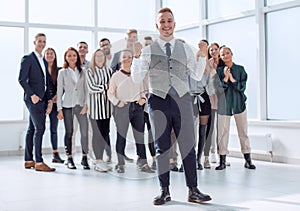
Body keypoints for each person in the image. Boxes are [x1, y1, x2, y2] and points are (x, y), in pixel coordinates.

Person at [132, 7, 211, 205]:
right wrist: (136, 57)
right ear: (157, 26)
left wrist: (202, 56)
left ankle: (193, 190)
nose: (166, 25)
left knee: (188, 146)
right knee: (162, 148)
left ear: (174, 24)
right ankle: (164, 191)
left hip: (182, 99)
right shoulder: (148, 50)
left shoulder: (185, 48)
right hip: (158, 100)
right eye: (162, 22)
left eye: (169, 21)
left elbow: (196, 75)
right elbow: (137, 77)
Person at [108, 49, 154, 174]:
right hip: (122, 108)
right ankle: (120, 163)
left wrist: (143, 99)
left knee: (139, 136)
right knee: (121, 136)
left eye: (130, 56)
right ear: (120, 60)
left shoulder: (137, 74)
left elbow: (144, 90)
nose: (127, 59)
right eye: (125, 57)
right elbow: (110, 93)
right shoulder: (116, 76)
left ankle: (143, 163)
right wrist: (118, 102)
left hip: (137, 108)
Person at [214, 45, 256, 170]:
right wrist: (225, 78)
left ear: (231, 53)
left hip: (239, 105)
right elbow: (218, 89)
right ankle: (222, 161)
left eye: (227, 53)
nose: (225, 55)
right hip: (224, 106)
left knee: (243, 132)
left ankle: (248, 160)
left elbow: (242, 87)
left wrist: (232, 79)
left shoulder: (240, 69)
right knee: (222, 133)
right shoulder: (219, 71)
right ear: (220, 57)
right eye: (223, 54)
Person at [18, 33, 55, 172]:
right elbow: (21, 79)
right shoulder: (28, 58)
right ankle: (39, 162)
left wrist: (49, 100)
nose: (42, 43)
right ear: (34, 42)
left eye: (44, 41)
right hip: (33, 99)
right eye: (39, 41)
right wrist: (32, 95)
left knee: (32, 128)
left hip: (43, 99)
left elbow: (46, 82)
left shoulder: (43, 60)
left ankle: (28, 160)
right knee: (40, 129)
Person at [57, 47, 90, 170]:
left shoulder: (83, 71)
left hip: (81, 105)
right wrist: (59, 109)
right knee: (69, 132)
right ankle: (69, 158)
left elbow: (87, 90)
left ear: (77, 57)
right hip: (68, 106)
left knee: (85, 132)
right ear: (65, 57)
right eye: (69, 55)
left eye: (74, 55)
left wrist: (86, 104)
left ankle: (84, 157)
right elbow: (59, 92)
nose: (72, 57)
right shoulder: (62, 72)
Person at [86, 49, 113, 172]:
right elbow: (91, 88)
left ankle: (101, 159)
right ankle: (97, 160)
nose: (100, 58)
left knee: (104, 134)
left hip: (107, 109)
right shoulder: (89, 71)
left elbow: (112, 87)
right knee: (97, 135)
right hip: (95, 109)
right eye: (97, 56)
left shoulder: (109, 71)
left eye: (101, 56)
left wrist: (105, 88)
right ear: (93, 58)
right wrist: (105, 87)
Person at [44, 47, 64, 164]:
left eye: (52, 53)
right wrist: (48, 100)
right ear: (44, 56)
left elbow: (63, 86)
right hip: (43, 103)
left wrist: (56, 97)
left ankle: (55, 154)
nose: (50, 55)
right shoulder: (41, 69)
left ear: (55, 56)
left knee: (54, 129)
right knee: (39, 129)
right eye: (48, 53)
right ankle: (36, 154)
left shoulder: (59, 70)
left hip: (56, 104)